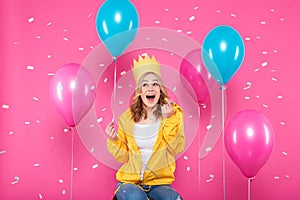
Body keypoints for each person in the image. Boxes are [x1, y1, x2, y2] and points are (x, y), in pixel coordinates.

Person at [105, 54, 185, 200]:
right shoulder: (126, 118)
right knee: (136, 197)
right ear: (139, 91)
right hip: (130, 183)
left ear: (160, 89)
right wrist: (113, 140)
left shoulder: (173, 113)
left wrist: (169, 120)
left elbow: (176, 148)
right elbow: (123, 156)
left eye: (155, 84)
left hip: (159, 183)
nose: (150, 88)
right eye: (145, 84)